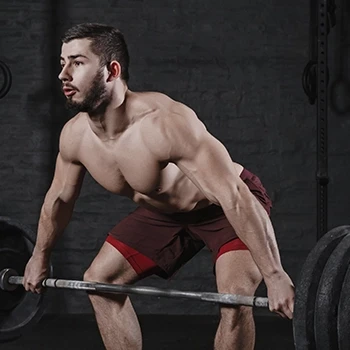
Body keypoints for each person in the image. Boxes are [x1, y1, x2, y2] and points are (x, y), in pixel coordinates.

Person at [23, 23, 295, 350]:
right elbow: (59, 200)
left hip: (225, 208)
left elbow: (234, 198)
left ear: (112, 71)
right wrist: (40, 255)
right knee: (99, 282)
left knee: (233, 300)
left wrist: (275, 275)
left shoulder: (165, 123)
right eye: (62, 62)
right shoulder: (75, 136)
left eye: (77, 63)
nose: (63, 75)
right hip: (165, 214)